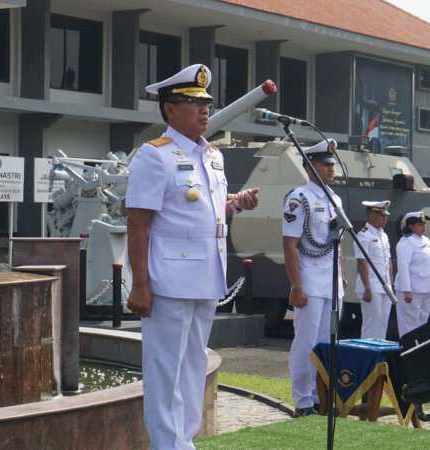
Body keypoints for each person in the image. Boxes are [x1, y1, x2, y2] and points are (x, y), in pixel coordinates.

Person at [126, 64, 260, 450]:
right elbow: (138, 223)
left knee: (193, 366)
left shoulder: (213, 156)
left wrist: (235, 204)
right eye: (193, 103)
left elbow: (206, 209)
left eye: (206, 103)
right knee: (165, 368)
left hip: (206, 276)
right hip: (167, 279)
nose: (204, 110)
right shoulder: (154, 156)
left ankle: (184, 441)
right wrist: (140, 283)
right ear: (170, 109)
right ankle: (166, 445)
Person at [282, 139, 344, 417]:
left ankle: (321, 396)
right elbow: (290, 244)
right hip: (308, 279)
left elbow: (337, 244)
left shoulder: (335, 199)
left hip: (331, 281)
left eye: (331, 165)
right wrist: (296, 285)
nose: (330, 170)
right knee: (306, 342)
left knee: (326, 343)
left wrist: (341, 279)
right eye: (324, 165)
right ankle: (303, 400)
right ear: (309, 167)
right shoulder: (299, 198)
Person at [394, 211, 430, 336]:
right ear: (411, 226)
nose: (424, 227)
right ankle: (407, 352)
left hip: (427, 290)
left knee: (422, 325)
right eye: (420, 224)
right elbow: (403, 267)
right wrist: (406, 290)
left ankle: (417, 353)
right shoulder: (406, 242)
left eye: (424, 224)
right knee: (409, 326)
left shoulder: (427, 240)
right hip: (412, 290)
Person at [354, 200, 394, 340]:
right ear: (371, 215)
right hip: (371, 286)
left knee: (382, 324)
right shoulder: (363, 235)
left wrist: (390, 285)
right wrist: (367, 288)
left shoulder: (383, 235)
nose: (385, 218)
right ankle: (366, 358)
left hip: (384, 287)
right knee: (371, 325)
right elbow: (361, 262)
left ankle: (378, 358)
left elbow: (388, 262)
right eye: (381, 215)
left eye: (386, 215)